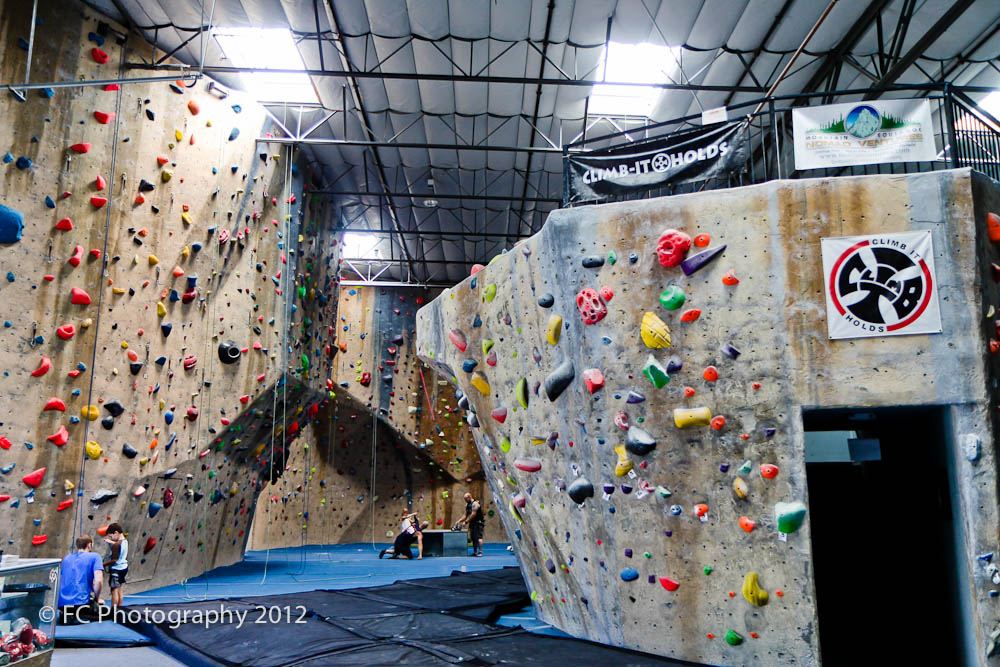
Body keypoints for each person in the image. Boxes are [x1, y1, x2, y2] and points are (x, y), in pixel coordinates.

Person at [56, 535, 103, 624]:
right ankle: (80, 616)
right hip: (80, 602)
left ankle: (68, 614)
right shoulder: (95, 557)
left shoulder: (67, 558)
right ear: (89, 545)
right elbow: (98, 580)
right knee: (106, 612)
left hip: (62, 603)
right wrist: (97, 599)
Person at [102, 523, 128, 607]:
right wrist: (112, 543)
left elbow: (114, 560)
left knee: (114, 591)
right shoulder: (124, 541)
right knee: (119, 589)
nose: (111, 538)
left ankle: (113, 610)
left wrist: (103, 564)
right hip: (123, 568)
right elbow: (118, 547)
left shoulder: (116, 545)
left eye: (111, 536)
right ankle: (120, 608)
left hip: (116, 569)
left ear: (116, 532)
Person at [455, 493, 485, 557]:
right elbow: (466, 515)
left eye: (466, 499)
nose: (465, 500)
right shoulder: (467, 504)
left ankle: (480, 552)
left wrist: (466, 522)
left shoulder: (475, 504)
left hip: (478, 522)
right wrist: (459, 521)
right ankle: (475, 552)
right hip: (472, 523)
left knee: (479, 537)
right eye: (464, 499)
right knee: (473, 538)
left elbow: (473, 514)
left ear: (470, 497)